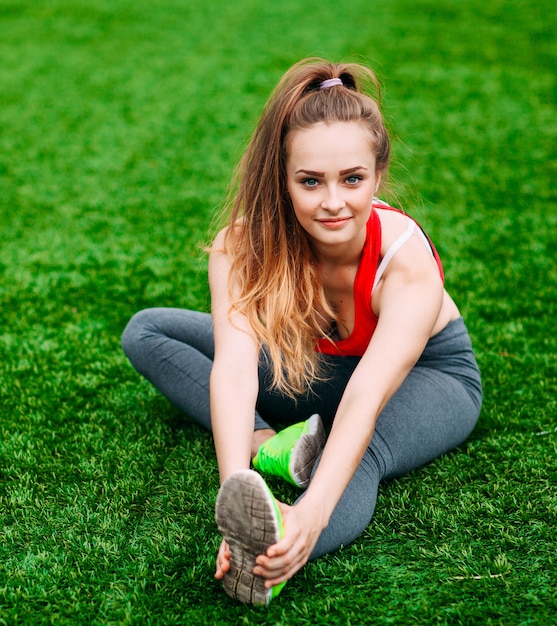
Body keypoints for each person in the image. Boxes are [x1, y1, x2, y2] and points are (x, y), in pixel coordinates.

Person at [121, 58, 482, 606]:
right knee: (149, 330)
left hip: (428, 379)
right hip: (322, 369)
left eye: (352, 179)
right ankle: (273, 446)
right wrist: (236, 497)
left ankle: (278, 554)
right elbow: (236, 370)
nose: (333, 202)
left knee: (358, 453)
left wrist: (305, 518)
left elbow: (365, 398)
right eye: (310, 181)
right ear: (283, 179)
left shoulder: (404, 264)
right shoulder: (243, 245)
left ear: (378, 176)